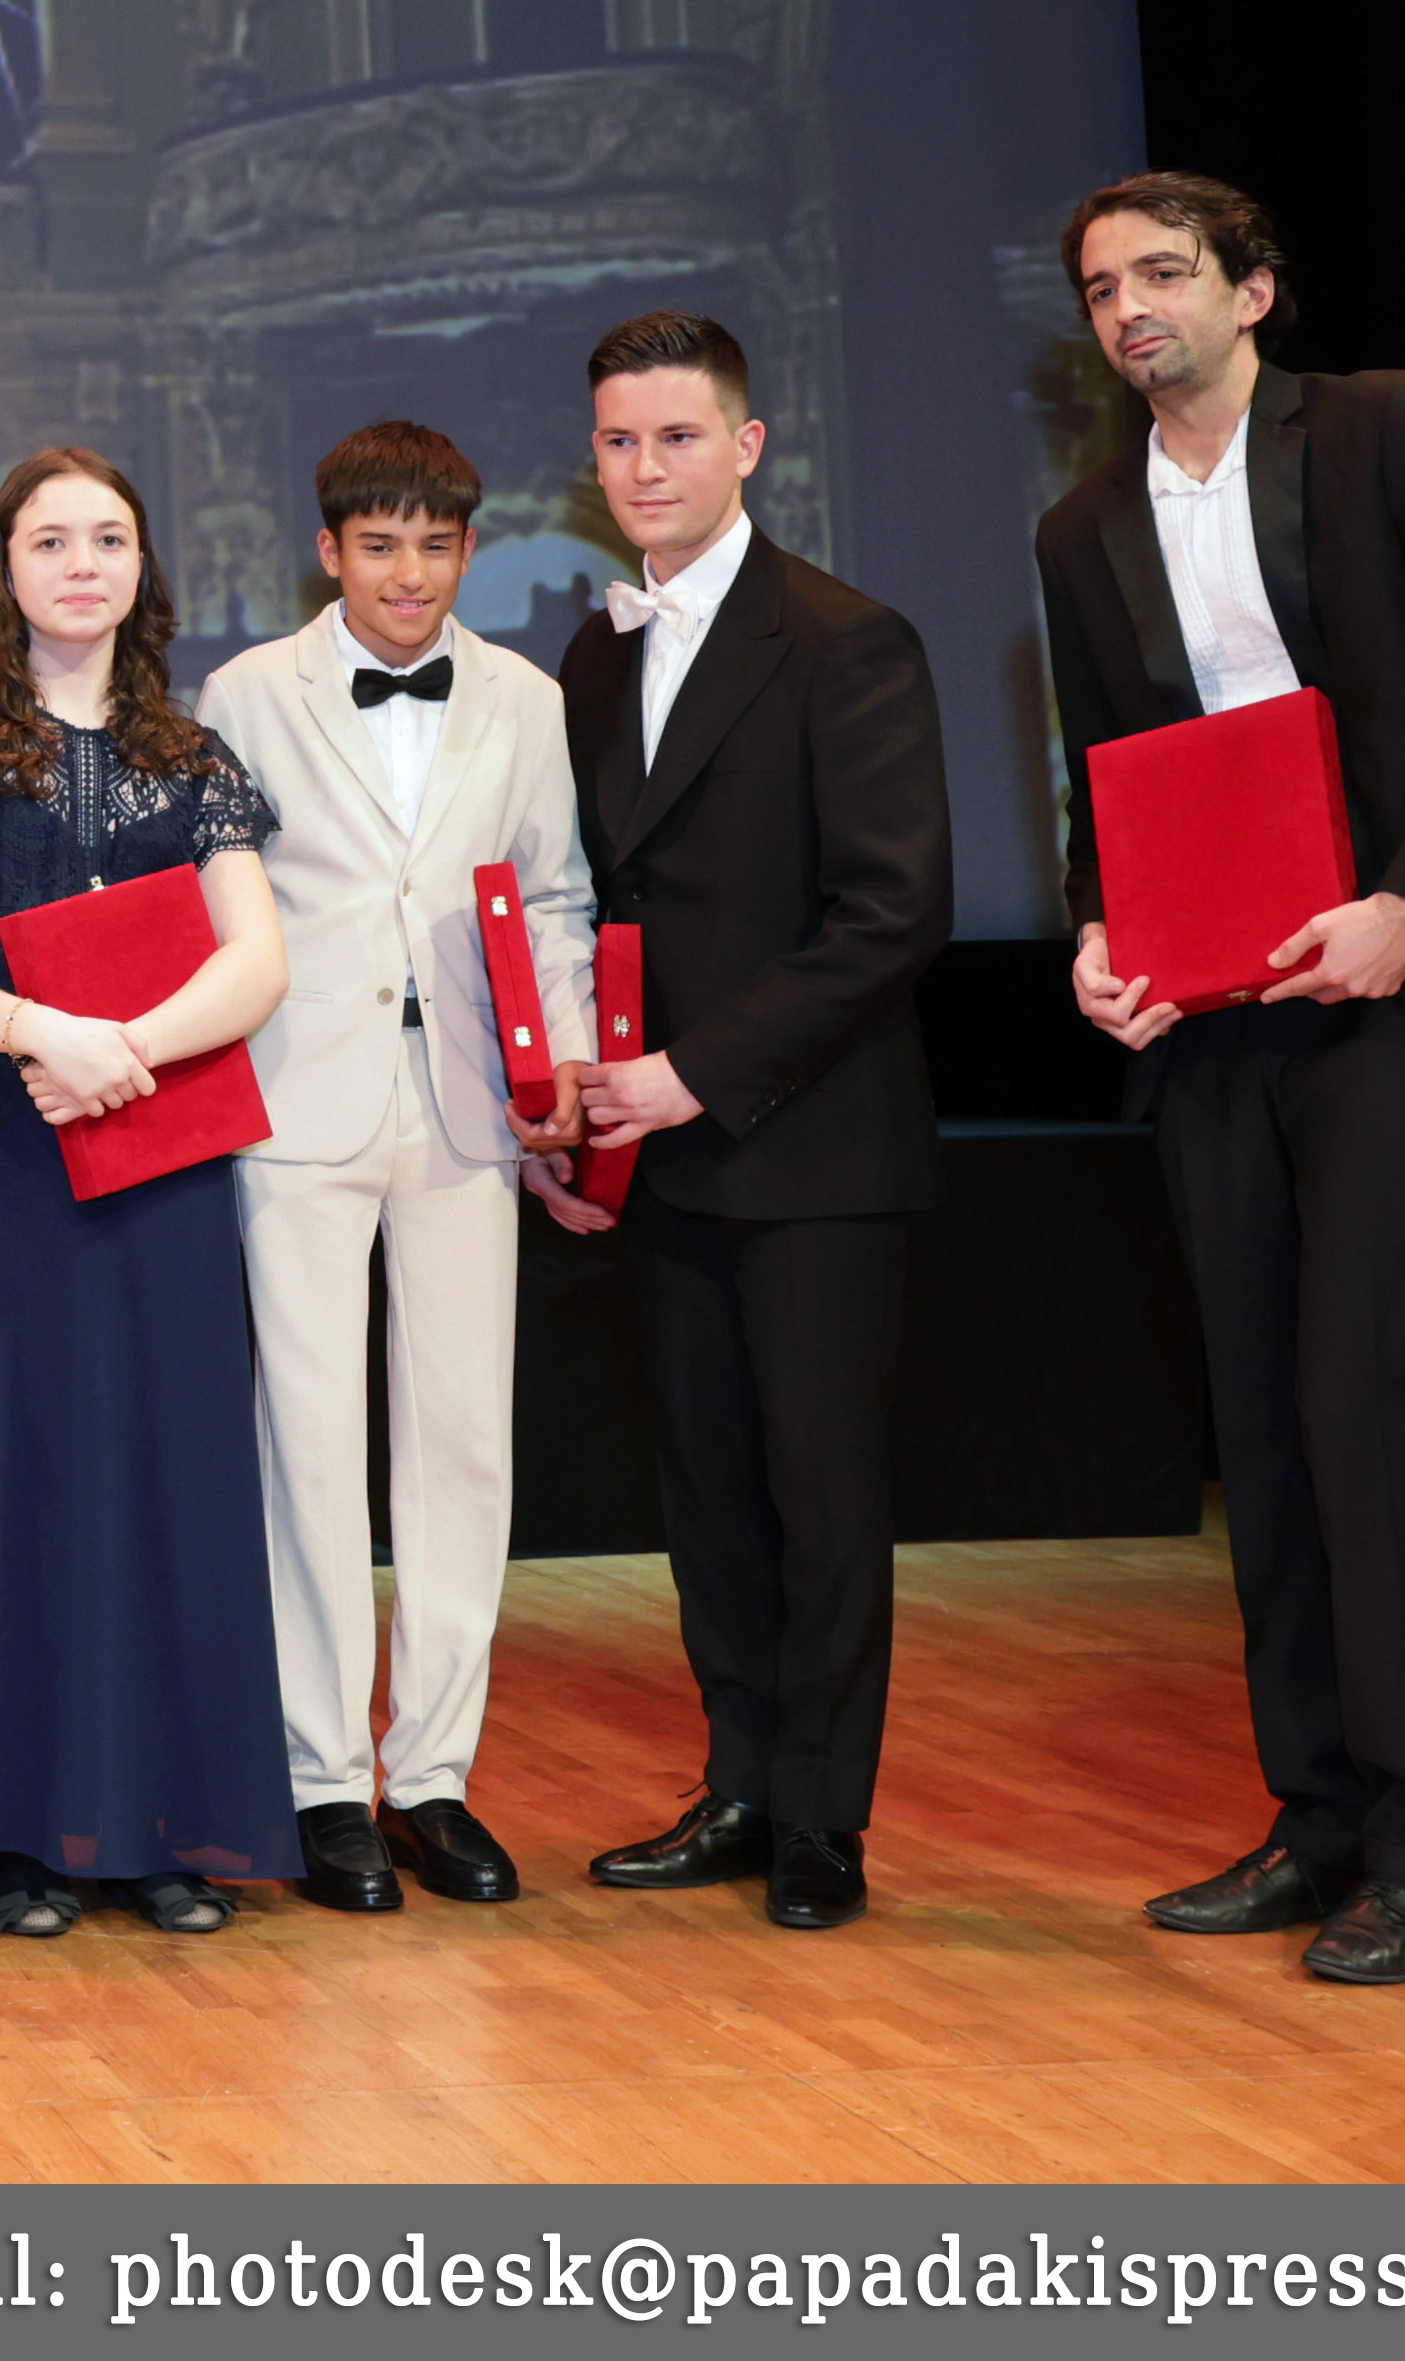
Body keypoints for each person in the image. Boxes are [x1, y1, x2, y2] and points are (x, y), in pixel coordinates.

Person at [1038, 178, 1405, 1987]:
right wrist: (1100, 930)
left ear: (1253, 290)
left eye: (1164, 272)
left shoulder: (1384, 428)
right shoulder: (1083, 523)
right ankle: (1320, 1817)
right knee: (1265, 1428)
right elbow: (1106, 769)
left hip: (1397, 1000)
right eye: (1101, 288)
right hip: (1214, 1016)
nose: (1131, 308)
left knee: (1367, 1407)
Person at [0, 448, 296, 1939]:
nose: (83, 564)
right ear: (5, 567)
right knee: (11, 1485)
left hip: (158, 1164)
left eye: (109, 537)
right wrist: (44, 1034)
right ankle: (24, 1836)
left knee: (162, 1482)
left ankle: (158, 1829)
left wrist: (125, 1052)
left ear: (142, 567)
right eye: (51, 541)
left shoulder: (196, 756)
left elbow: (257, 962)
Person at [558, 313, 948, 1935]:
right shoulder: (593, 654)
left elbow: (892, 913)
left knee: (823, 1497)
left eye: (676, 437)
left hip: (812, 1146)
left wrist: (694, 1072)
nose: (646, 468)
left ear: (747, 446)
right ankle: (737, 1786)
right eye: (619, 442)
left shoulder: (848, 638)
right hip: (659, 1152)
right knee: (708, 1492)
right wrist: (585, 1105)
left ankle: (822, 1822)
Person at [192, 423, 599, 1920]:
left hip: (471, 1106)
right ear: (330, 552)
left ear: (469, 550)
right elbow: (216, 906)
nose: (408, 574)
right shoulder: (246, 693)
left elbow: (553, 896)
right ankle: (318, 1782)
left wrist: (556, 1073)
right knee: (305, 1444)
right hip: (298, 1100)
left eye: (435, 546)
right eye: (379, 546)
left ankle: (431, 1775)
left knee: (463, 1443)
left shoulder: (527, 700)